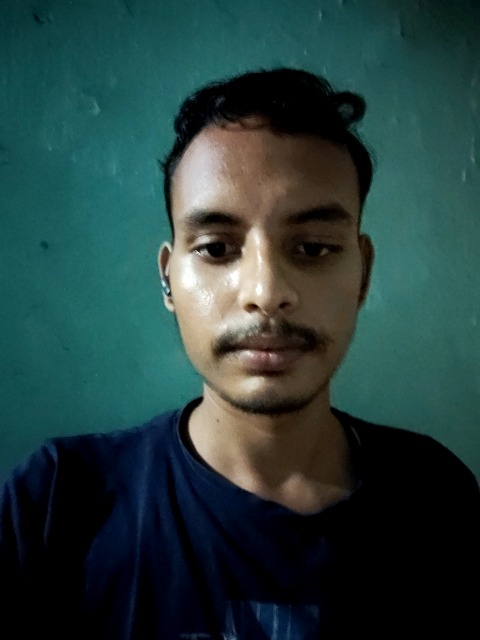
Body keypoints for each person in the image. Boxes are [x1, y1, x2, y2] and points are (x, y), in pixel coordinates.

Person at [1, 68, 479, 639]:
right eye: (216, 248)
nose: (265, 291)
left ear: (363, 274)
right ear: (168, 279)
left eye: (313, 248)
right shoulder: (57, 503)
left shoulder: (435, 497)